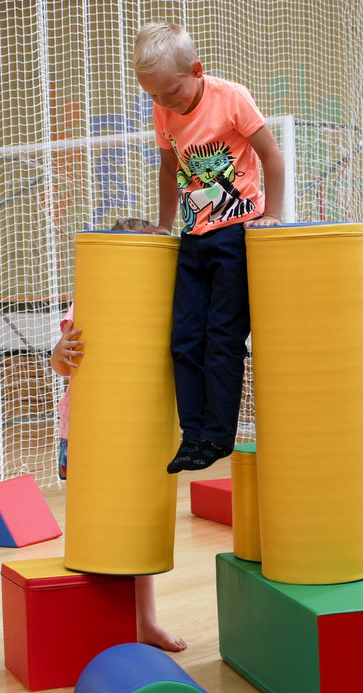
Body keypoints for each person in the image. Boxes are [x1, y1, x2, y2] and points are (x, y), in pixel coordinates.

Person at [132, 21, 285, 474]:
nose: (163, 104)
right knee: (184, 340)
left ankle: (217, 435)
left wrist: (271, 215)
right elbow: (167, 168)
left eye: (170, 94)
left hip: (237, 234)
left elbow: (272, 157)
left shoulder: (230, 97)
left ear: (196, 70)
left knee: (222, 338)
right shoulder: (164, 112)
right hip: (194, 237)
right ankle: (192, 434)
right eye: (153, 97)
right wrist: (163, 225)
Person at [49, 216, 186, 653]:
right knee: (99, 527)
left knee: (136, 531)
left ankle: (145, 622)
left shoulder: (160, 306)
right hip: (88, 435)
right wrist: (60, 354)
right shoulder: (91, 304)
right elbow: (62, 364)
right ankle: (99, 622)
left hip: (140, 432)